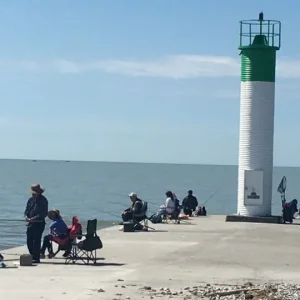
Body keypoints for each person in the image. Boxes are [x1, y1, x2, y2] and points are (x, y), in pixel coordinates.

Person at [24, 184, 48, 263]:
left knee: (36, 240)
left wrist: (33, 219)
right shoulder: (30, 200)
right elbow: (27, 210)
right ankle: (32, 255)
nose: (33, 195)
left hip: (39, 223)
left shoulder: (44, 200)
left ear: (39, 193)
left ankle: (36, 258)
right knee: (29, 240)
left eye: (34, 193)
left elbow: (43, 214)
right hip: (30, 223)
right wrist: (26, 217)